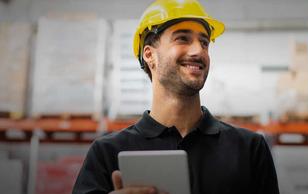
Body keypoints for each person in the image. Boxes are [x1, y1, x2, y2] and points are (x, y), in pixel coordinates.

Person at [72, 0, 280, 194]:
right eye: (183, 38)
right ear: (149, 55)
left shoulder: (249, 149)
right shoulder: (107, 154)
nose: (199, 50)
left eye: (205, 42)